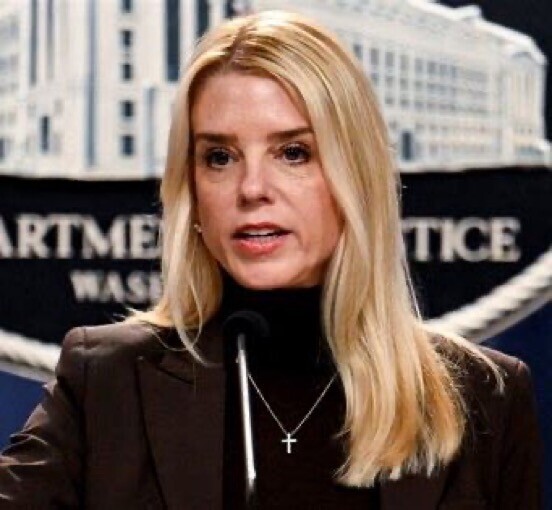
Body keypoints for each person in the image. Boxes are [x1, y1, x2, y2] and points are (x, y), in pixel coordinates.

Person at [0, 10, 542, 510]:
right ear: (192, 190)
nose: (251, 188)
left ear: (356, 177)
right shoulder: (107, 380)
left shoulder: (484, 397)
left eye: (293, 153)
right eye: (219, 157)